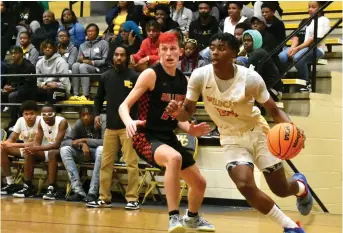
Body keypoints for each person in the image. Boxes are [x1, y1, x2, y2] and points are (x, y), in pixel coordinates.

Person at [166, 32, 313, 233]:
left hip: (257, 132)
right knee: (244, 185)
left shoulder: (250, 79)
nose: (215, 52)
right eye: (213, 47)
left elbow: (274, 110)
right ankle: (289, 227)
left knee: (281, 189)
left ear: (234, 53)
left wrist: (293, 129)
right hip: (230, 137)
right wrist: (177, 113)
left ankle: (301, 187)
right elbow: (186, 114)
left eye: (222, 48)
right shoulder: (200, 76)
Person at [119, 32, 215, 232]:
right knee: (174, 158)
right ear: (159, 52)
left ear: (180, 52)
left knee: (200, 183)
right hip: (145, 135)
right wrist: (129, 121)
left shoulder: (184, 81)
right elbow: (123, 105)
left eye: (173, 49)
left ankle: (193, 218)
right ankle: (173, 217)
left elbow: (180, 119)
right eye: (164, 49)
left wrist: (191, 129)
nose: (169, 54)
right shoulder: (151, 74)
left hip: (167, 136)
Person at [13, 103, 69, 199]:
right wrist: (31, 149)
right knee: (29, 153)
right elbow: (37, 143)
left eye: (49, 114)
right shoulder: (41, 122)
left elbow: (56, 145)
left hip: (66, 150)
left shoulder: (62, 122)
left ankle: (51, 188)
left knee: (51, 153)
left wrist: (36, 148)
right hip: (51, 149)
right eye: (44, 114)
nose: (46, 117)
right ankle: (28, 186)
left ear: (55, 114)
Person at [278, 1, 330, 92]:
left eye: (313, 7)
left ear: (321, 7)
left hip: (316, 48)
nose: (310, 9)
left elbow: (313, 40)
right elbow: (296, 36)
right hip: (301, 47)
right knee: (281, 56)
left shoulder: (324, 20)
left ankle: (306, 82)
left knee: (298, 57)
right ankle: (283, 80)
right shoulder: (307, 20)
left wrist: (297, 49)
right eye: (309, 7)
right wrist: (292, 48)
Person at [60, 106, 105, 202]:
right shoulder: (79, 124)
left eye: (88, 114)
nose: (85, 117)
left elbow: (106, 142)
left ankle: (93, 192)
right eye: (83, 115)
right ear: (79, 116)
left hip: (100, 154)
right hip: (83, 153)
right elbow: (65, 141)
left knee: (101, 149)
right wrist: (81, 144)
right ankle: (78, 192)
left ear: (94, 115)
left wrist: (85, 140)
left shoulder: (101, 121)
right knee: (64, 150)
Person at [0, 101, 41, 195]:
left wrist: (13, 145)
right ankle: (10, 182)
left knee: (27, 151)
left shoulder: (41, 121)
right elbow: (13, 138)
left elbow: (35, 144)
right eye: (26, 114)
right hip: (26, 149)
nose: (29, 116)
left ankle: (28, 186)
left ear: (37, 113)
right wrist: (5, 143)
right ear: (22, 114)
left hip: (40, 151)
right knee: (2, 148)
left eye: (31, 114)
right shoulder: (20, 120)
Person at [71, 23, 109, 100]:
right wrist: (80, 59)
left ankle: (86, 95)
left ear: (97, 32)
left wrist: (92, 62)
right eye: (88, 31)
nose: (90, 33)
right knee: (75, 65)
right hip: (85, 68)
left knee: (83, 66)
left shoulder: (104, 43)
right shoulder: (83, 45)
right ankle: (76, 94)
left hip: (99, 69)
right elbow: (79, 59)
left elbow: (106, 60)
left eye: (92, 31)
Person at [3, 46, 37, 129]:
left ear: (21, 54)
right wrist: (6, 86)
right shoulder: (10, 66)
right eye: (12, 53)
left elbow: (28, 84)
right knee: (2, 94)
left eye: (16, 53)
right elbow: (9, 81)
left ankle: (14, 120)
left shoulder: (29, 66)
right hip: (15, 89)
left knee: (13, 96)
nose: (13, 55)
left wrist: (13, 88)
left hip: (28, 90)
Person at [36, 39, 70, 104]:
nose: (47, 49)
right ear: (42, 49)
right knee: (32, 91)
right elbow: (38, 82)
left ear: (54, 49)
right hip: (46, 88)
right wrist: (44, 84)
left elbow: (65, 85)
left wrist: (56, 85)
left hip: (63, 91)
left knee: (51, 91)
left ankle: (53, 111)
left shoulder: (61, 62)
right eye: (45, 47)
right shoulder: (39, 63)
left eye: (50, 47)